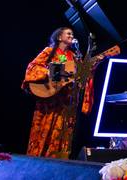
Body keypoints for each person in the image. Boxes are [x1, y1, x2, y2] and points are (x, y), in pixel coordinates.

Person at [22, 27, 96, 158]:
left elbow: (80, 77)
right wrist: (53, 72)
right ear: (59, 37)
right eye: (68, 33)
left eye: (72, 33)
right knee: (43, 135)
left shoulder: (74, 57)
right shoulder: (49, 51)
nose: (71, 35)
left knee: (61, 137)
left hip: (65, 104)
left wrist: (89, 69)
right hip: (49, 102)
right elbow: (32, 67)